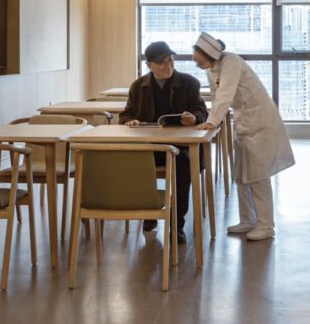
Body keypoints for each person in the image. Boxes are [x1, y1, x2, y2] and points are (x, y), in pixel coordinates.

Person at [193, 32, 295, 241]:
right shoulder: (212, 68)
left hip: (260, 123)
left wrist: (212, 121)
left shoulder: (231, 62)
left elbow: (225, 94)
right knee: (241, 175)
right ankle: (247, 220)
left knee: (258, 176)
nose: (197, 65)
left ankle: (266, 226)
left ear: (211, 55)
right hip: (243, 123)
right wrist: (214, 120)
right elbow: (215, 96)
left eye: (199, 61)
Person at [120, 40, 209, 243]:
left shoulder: (189, 83)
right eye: (161, 62)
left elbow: (202, 110)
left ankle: (176, 224)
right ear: (149, 65)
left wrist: (194, 118)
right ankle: (149, 212)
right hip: (149, 147)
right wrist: (130, 121)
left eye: (170, 60)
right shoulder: (138, 86)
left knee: (182, 165)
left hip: (182, 147)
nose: (167, 65)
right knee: (137, 162)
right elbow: (125, 115)